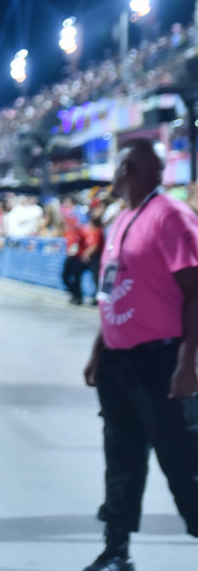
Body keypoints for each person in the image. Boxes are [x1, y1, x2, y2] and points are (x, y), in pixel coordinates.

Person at [81, 139, 198, 571]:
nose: (112, 174)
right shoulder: (123, 220)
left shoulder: (170, 216)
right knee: (122, 458)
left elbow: (195, 291)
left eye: (116, 166)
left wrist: (189, 363)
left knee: (184, 462)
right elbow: (111, 294)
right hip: (120, 360)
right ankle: (117, 550)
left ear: (127, 168)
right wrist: (99, 353)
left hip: (162, 362)